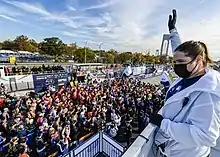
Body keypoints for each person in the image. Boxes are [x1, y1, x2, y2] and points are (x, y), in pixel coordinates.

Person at [149, 9, 220, 157]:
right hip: (172, 149)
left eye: (180, 62)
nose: (177, 66)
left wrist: (164, 124)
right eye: (175, 62)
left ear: (199, 60)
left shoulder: (208, 92)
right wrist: (173, 30)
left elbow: (205, 136)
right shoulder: (190, 73)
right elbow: (180, 51)